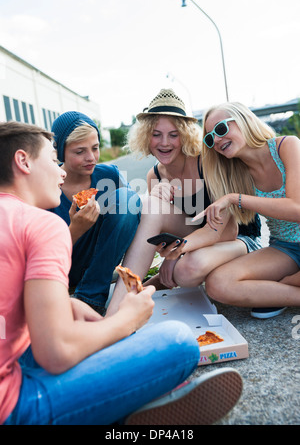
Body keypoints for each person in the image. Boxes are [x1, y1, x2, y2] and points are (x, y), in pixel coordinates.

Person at [0, 121, 243, 425]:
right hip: (14, 407)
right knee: (180, 341)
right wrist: (127, 320)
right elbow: (56, 353)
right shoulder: (41, 223)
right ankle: (121, 412)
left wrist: (68, 304)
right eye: (52, 160)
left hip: (14, 359)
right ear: (23, 161)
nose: (61, 172)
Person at [107, 89, 261, 313]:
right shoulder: (154, 176)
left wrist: (176, 252)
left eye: (173, 134)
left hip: (239, 241)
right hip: (195, 248)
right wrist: (167, 244)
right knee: (149, 203)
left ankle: (136, 297)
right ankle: (116, 315)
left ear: (186, 134)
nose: (164, 142)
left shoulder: (207, 162)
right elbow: (161, 243)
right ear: (145, 136)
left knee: (186, 269)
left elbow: (227, 231)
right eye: (156, 134)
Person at [192, 101, 300, 318]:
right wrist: (180, 247)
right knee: (217, 284)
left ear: (246, 119)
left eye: (221, 129)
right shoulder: (234, 176)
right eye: (210, 138)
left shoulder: (288, 145)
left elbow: (297, 208)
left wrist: (236, 199)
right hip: (286, 248)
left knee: (289, 280)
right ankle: (288, 292)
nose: (217, 139)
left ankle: (279, 289)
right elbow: (214, 231)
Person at [50, 111, 141, 315]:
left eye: (95, 148)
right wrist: (75, 229)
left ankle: (90, 297)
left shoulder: (109, 175)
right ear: (61, 152)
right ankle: (82, 294)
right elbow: (39, 250)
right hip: (62, 269)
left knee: (128, 198)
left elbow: (133, 215)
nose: (90, 158)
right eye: (79, 151)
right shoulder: (46, 183)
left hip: (101, 263)